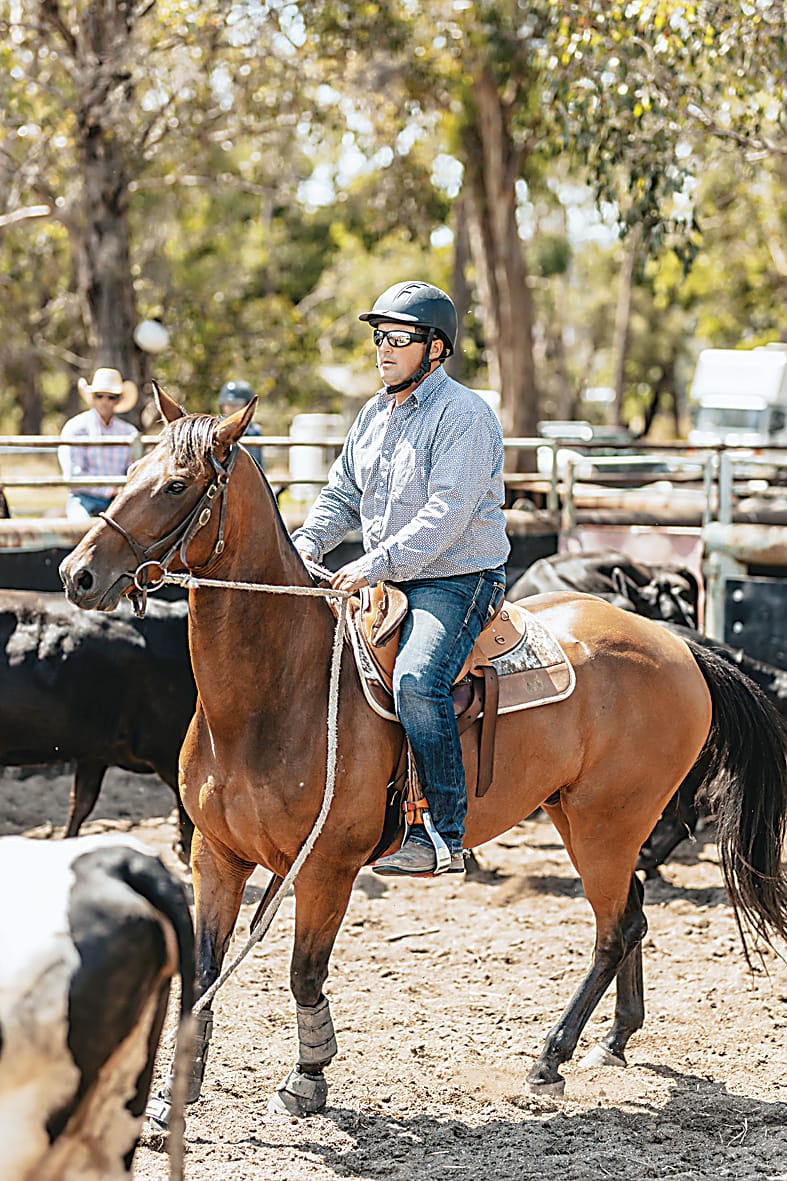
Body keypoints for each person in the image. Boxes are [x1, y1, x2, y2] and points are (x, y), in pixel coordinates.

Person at [291, 280, 510, 877]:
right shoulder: (371, 415)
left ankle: (443, 833)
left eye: (399, 339)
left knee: (416, 677)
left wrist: (367, 565)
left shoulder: (465, 415)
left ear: (435, 349)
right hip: (386, 576)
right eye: (380, 339)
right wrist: (302, 548)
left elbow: (445, 517)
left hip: (456, 579)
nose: (383, 351)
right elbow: (341, 494)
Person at [58, 367, 138, 521]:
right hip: (84, 498)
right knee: (79, 527)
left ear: (118, 399)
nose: (105, 401)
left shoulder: (129, 432)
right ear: (92, 398)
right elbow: (73, 475)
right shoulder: (76, 428)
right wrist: (111, 489)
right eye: (99, 396)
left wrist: (121, 490)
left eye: (111, 397)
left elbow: (133, 470)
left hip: (120, 500)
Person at [218, 379, 265, 471]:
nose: (230, 408)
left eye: (236, 404)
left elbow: (257, 464)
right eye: (227, 404)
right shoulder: (216, 430)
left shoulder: (254, 431)